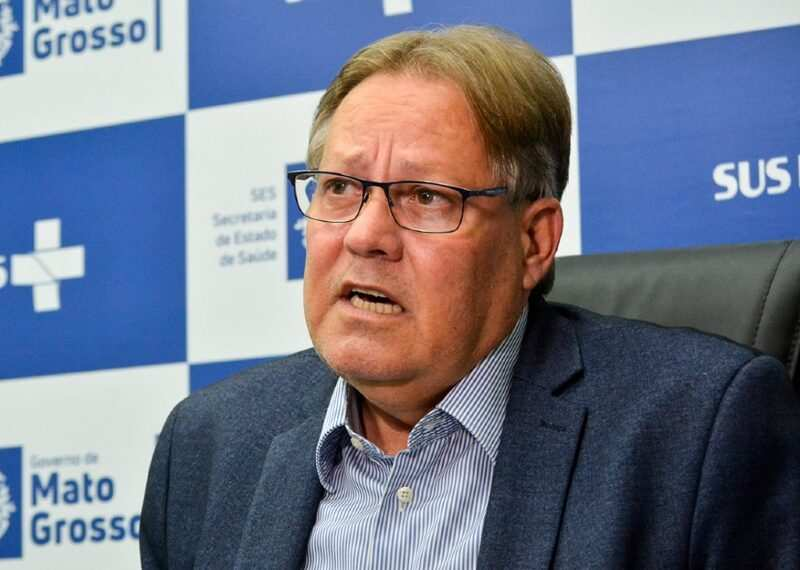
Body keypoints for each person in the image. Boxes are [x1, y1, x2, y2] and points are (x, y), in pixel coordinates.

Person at [140, 25, 800, 569]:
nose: (365, 236)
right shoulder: (208, 444)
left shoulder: (699, 432)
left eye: (426, 196)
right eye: (339, 187)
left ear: (533, 242)